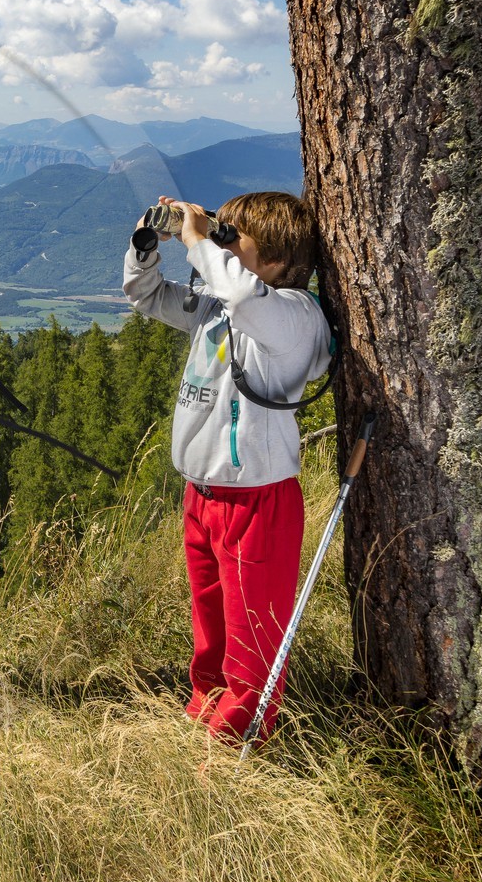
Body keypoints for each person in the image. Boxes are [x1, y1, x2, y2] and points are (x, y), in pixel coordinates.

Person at [123, 191, 331, 743]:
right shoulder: (220, 307)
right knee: (211, 632)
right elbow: (145, 296)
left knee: (251, 638)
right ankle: (204, 716)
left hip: (257, 500)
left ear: (279, 259)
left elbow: (244, 294)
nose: (222, 245)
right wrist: (149, 242)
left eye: (233, 237)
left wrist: (197, 240)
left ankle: (235, 751)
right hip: (203, 496)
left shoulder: (295, 316)